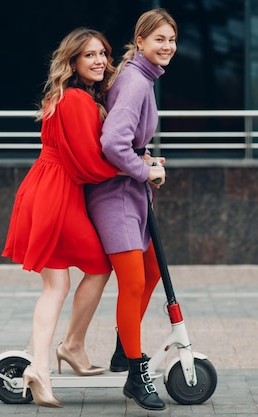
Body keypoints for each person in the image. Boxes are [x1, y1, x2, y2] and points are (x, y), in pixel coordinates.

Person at [1, 27, 121, 408]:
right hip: (56, 192)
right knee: (96, 268)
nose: (100, 60)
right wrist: (138, 169)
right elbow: (89, 163)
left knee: (57, 285)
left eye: (102, 52)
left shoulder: (69, 97)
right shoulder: (75, 101)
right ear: (72, 62)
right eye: (89, 55)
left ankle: (46, 361)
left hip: (47, 188)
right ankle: (67, 347)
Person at [85, 8, 177, 411]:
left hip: (131, 192)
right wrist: (144, 169)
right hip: (116, 197)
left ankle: (125, 345)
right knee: (134, 283)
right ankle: (136, 376)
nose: (168, 46)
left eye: (172, 40)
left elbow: (128, 139)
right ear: (139, 41)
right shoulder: (136, 82)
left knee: (153, 268)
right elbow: (112, 144)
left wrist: (145, 158)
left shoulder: (139, 77)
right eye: (160, 39)